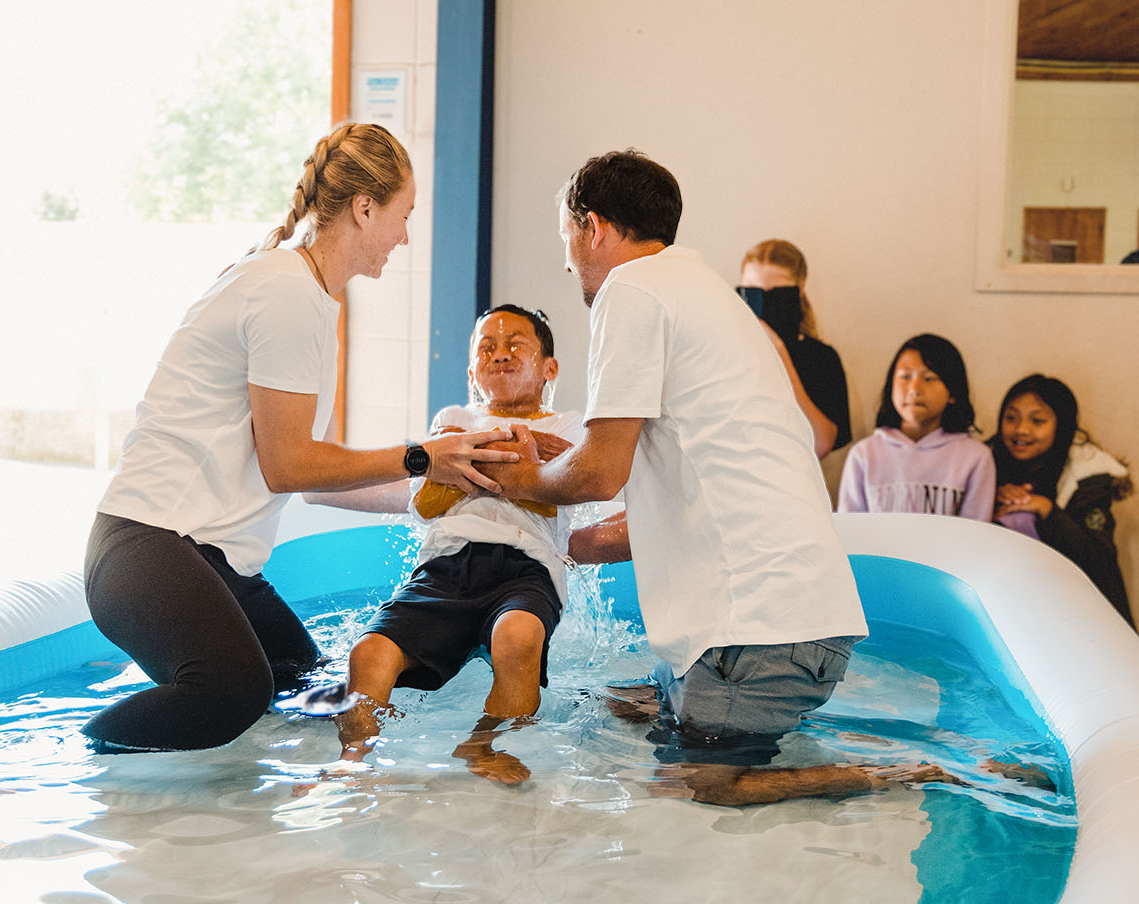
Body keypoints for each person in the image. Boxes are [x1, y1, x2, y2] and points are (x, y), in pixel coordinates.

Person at [481, 150, 956, 804]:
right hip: (802, 627)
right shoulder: (713, 299)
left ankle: (920, 774)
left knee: (695, 786)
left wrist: (513, 487)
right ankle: (901, 756)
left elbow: (597, 471)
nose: (566, 261)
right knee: (610, 707)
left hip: (752, 636)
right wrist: (563, 544)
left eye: (566, 238)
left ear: (592, 227)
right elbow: (691, 498)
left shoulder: (631, 290)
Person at [82, 123, 519, 752]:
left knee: (308, 689)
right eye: (403, 216)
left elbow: (319, 479)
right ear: (365, 209)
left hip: (207, 557)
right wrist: (424, 455)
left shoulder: (309, 297)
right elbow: (288, 466)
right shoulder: (284, 289)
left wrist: (456, 491)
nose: (403, 236)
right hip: (148, 544)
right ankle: (72, 761)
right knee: (232, 693)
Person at [313, 305, 584, 784]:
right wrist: (520, 454)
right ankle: (352, 758)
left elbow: (546, 498)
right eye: (486, 347)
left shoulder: (570, 426)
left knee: (518, 638)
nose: (499, 354)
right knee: (369, 653)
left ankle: (485, 744)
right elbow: (431, 502)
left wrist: (469, 456)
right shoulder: (453, 416)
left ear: (549, 368)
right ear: (472, 372)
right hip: (445, 566)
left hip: (526, 567)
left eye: (515, 344)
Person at [989, 374, 1133, 626]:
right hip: (1012, 609)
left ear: (1062, 425)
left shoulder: (1087, 479)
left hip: (1080, 616)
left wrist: (1047, 510)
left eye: (1037, 420)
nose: (1021, 429)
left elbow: (1100, 561)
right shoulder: (986, 463)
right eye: (1011, 417)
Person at [837, 334, 995, 520]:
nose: (914, 389)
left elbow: (975, 533)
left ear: (953, 393)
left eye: (929, 378)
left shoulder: (975, 457)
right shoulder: (864, 454)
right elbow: (850, 528)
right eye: (905, 376)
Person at [737, 239, 851, 458]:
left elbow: (821, 444)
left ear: (798, 292)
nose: (763, 303)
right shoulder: (723, 350)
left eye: (776, 294)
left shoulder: (821, 359)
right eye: (752, 292)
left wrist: (779, 354)